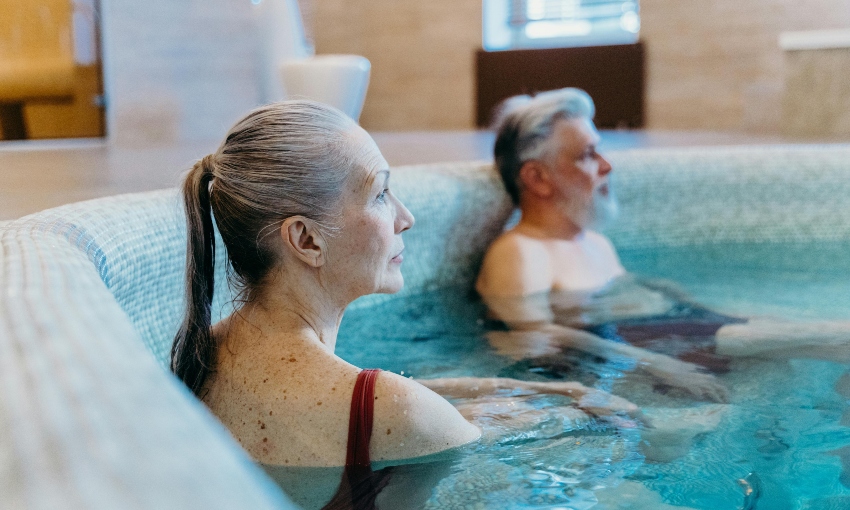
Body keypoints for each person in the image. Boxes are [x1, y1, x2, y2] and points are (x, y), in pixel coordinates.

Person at [171, 101, 637, 509]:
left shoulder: (198, 356)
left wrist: (554, 392)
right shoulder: (394, 411)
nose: (405, 217)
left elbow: (393, 406)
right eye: (380, 193)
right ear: (306, 239)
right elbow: (426, 427)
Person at [476, 87, 850, 404]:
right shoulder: (521, 251)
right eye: (587, 155)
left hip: (682, 333)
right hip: (653, 347)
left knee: (825, 347)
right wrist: (659, 365)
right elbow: (534, 334)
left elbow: (647, 294)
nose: (607, 165)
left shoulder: (596, 244)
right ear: (538, 178)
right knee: (835, 339)